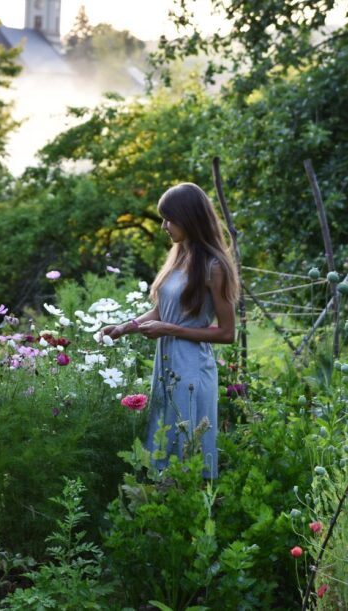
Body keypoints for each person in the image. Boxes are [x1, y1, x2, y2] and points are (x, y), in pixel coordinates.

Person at [101, 182, 238, 478]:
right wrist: (126, 327)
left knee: (188, 449)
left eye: (169, 219)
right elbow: (162, 310)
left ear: (189, 219)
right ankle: (162, 498)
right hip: (167, 366)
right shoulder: (179, 257)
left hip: (192, 369)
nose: (164, 226)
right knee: (163, 441)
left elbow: (227, 333)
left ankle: (188, 500)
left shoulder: (214, 267)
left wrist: (170, 330)